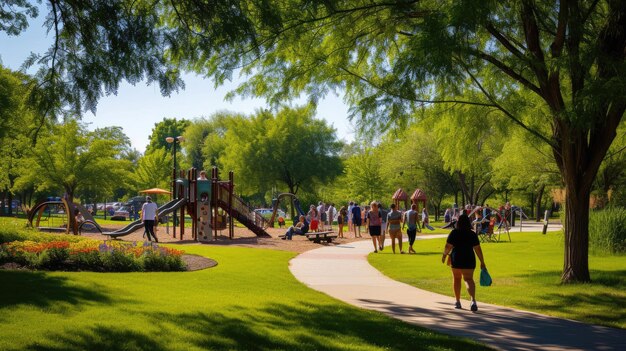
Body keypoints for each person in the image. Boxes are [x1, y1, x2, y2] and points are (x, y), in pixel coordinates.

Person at [441, 213, 486, 312]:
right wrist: (482, 261)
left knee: (457, 279)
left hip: (456, 259)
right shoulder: (472, 234)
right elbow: (478, 249)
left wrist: (444, 255)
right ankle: (473, 300)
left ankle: (457, 301)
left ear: (458, 222)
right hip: (469, 259)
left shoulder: (454, 233)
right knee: (469, 279)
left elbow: (448, 246)